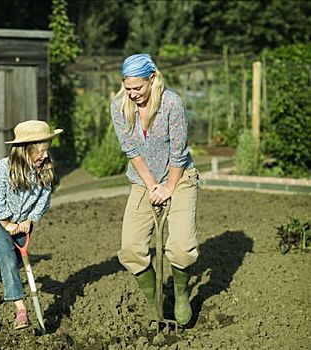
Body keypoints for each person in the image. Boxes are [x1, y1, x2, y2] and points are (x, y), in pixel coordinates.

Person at [111, 53, 199, 327]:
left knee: (182, 248)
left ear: (152, 78)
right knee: (130, 249)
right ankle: (156, 302)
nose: (133, 94)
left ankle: (181, 293)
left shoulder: (172, 103)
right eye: (128, 88)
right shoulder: (118, 105)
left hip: (180, 176)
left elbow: (178, 152)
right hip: (143, 181)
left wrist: (169, 187)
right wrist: (151, 185)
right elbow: (131, 150)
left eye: (138, 88)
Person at [0, 119, 62, 330]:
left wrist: (30, 220)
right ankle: (21, 311)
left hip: (24, 223)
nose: (44, 155)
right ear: (25, 150)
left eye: (46, 150)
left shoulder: (45, 169)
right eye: (39, 151)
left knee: (6, 259)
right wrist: (6, 223)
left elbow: (44, 198)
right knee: (9, 261)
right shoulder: (4, 167)